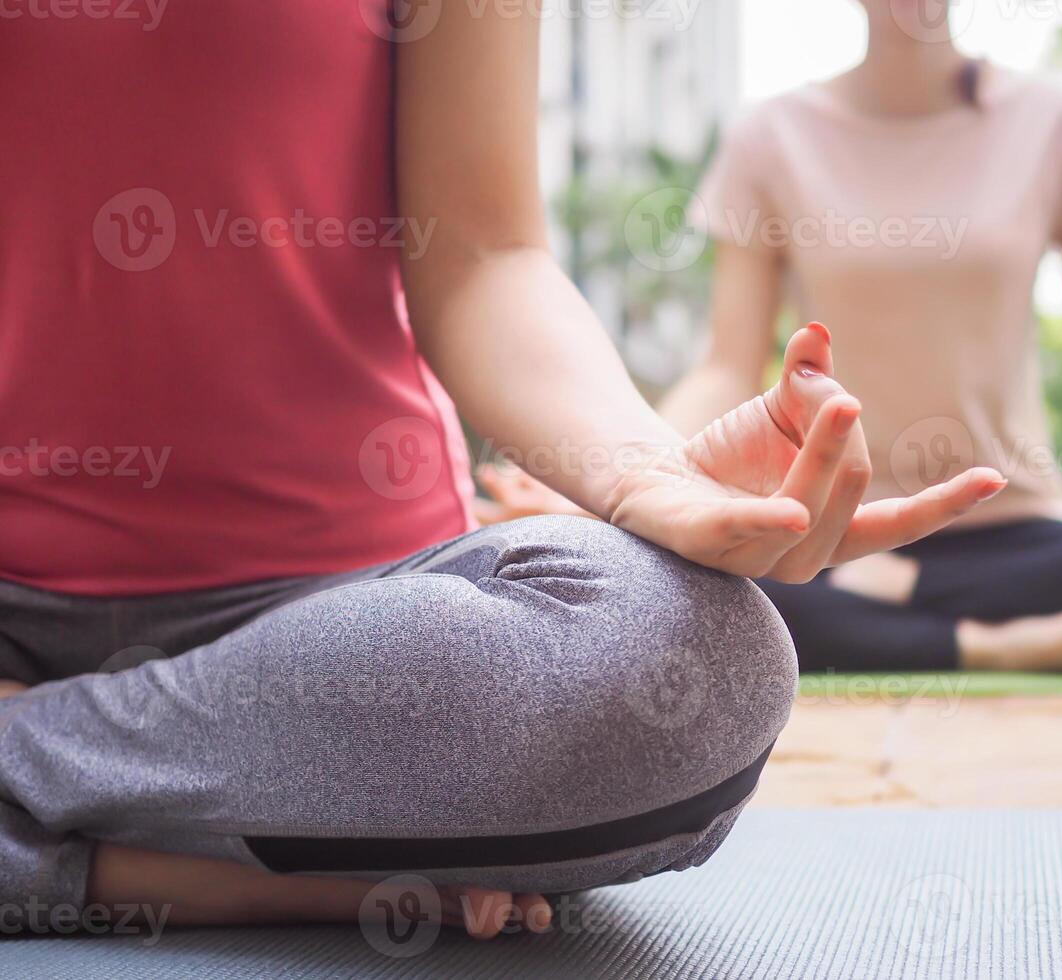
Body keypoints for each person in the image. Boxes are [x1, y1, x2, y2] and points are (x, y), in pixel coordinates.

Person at [0, 4, 1005, 937]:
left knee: (700, 658)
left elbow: (485, 254)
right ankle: (230, 869)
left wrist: (641, 474)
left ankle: (43, 797)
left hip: (340, 637)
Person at [483, 0, 1062, 678]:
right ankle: (1001, 645)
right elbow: (727, 363)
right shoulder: (770, 137)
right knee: (675, 584)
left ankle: (916, 623)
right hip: (835, 547)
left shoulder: (1057, 123)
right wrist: (620, 484)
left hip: (1026, 542)